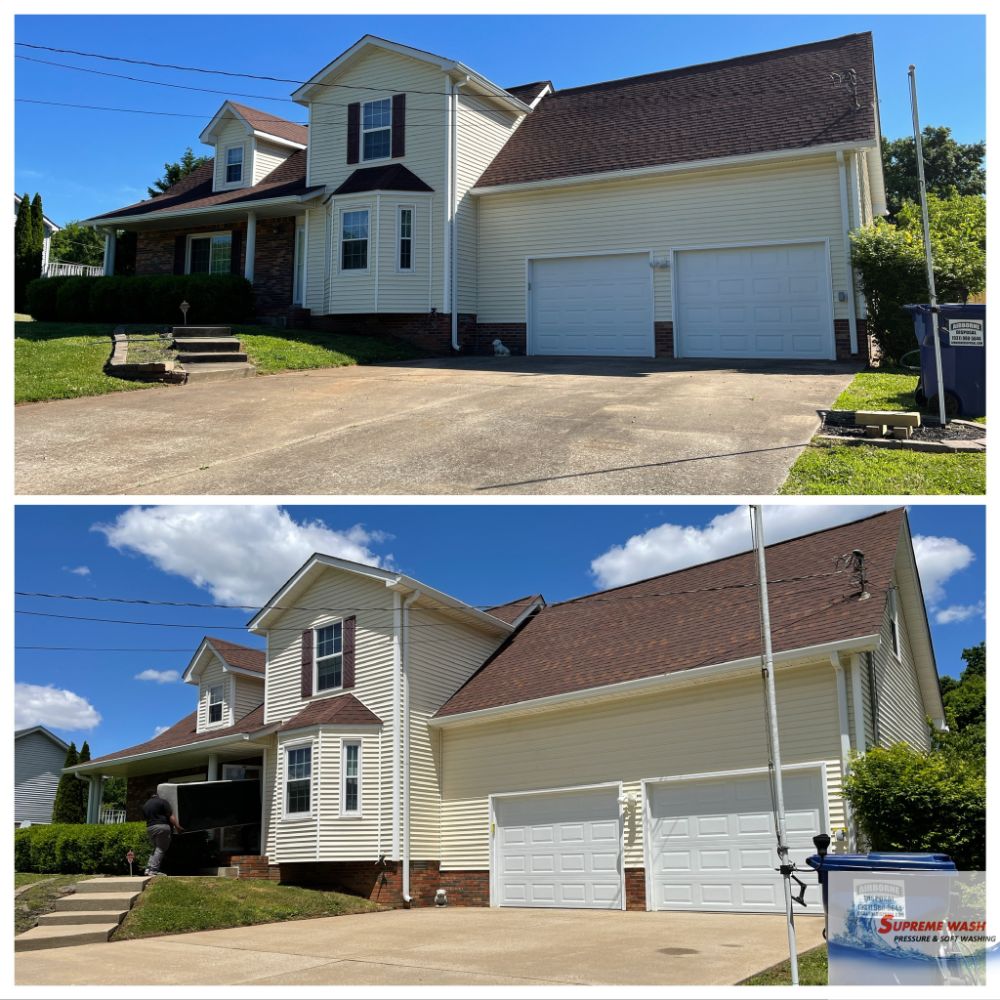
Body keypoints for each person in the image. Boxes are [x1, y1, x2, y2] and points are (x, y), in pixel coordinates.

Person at [142, 790, 182, 876]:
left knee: (156, 848)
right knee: (160, 848)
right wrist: (177, 827)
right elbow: (171, 816)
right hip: (162, 827)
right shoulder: (162, 802)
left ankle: (148, 869)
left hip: (150, 828)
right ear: (157, 794)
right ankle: (153, 870)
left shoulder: (145, 805)